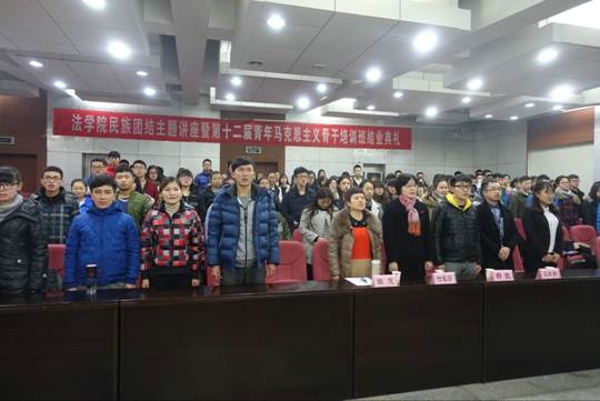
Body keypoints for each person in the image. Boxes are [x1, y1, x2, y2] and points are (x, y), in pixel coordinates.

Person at [207, 157, 279, 286]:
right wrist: (214, 263)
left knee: (257, 297)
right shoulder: (222, 199)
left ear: (254, 174)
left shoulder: (265, 198)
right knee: (230, 298)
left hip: (257, 264)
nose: (245, 174)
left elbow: (273, 232)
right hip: (230, 265)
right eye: (240, 170)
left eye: (249, 170)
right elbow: (213, 233)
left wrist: (272, 260)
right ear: (233, 174)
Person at [64, 175, 140, 291]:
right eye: (98, 192)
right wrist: (70, 282)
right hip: (84, 282)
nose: (102, 196)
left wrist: (131, 280)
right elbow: (71, 252)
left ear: (114, 194)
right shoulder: (79, 220)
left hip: (117, 282)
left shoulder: (126, 220)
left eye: (107, 192)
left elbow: (133, 251)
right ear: (91, 194)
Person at [140, 177, 205, 290]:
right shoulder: (152, 214)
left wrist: (196, 273)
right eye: (167, 190)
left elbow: (198, 245)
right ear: (161, 193)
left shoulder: (191, 214)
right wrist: (145, 274)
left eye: (176, 189)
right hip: (158, 272)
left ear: (181, 192)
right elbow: (145, 246)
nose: (172, 193)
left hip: (185, 272)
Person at [0, 166, 47, 294]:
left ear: (19, 186)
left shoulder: (31, 210)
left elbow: (39, 251)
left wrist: (35, 286)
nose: (2, 189)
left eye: (7, 184)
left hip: (18, 281)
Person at [383, 174, 433, 284]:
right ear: (400, 188)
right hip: (399, 258)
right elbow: (388, 236)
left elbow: (427, 234)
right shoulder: (392, 207)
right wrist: (392, 260)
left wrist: (428, 258)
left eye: (414, 186)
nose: (412, 189)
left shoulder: (421, 207)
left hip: (418, 257)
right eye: (408, 186)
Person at [431, 174, 481, 281]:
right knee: (450, 291)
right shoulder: (442, 208)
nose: (465, 190)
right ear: (452, 188)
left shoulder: (473, 209)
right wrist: (439, 262)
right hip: (450, 261)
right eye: (461, 186)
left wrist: (479, 260)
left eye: (468, 187)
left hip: (471, 261)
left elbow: (477, 236)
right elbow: (435, 236)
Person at [328, 187, 382, 279]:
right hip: (348, 266)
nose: (360, 200)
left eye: (362, 198)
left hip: (370, 265)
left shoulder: (373, 219)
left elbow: (379, 248)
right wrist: (335, 272)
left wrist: (379, 269)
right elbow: (332, 248)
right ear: (348, 202)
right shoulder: (339, 219)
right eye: (356, 198)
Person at [30, 166, 79, 244]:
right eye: (48, 177)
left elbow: (76, 228)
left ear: (61, 181)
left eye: (55, 178)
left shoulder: (71, 201)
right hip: (38, 248)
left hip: (64, 248)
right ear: (41, 180)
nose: (51, 181)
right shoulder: (33, 201)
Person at [522, 181, 564, 273]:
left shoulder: (555, 211)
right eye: (546, 192)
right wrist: (543, 253)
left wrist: (558, 252)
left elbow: (560, 233)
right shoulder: (529, 212)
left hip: (552, 256)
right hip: (535, 256)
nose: (550, 196)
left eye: (552, 193)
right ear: (537, 194)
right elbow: (531, 235)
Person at [477, 178, 519, 270]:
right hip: (488, 256)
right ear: (484, 193)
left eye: (499, 189)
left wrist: (508, 248)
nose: (497, 192)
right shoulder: (478, 211)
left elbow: (515, 233)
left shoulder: (506, 211)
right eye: (493, 189)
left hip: (507, 257)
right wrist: (497, 250)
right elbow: (480, 234)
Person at [299, 188, 337, 275]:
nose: (325, 204)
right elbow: (302, 228)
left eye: (328, 202)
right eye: (323, 202)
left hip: (330, 245)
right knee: (312, 271)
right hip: (312, 244)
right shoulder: (308, 211)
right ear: (317, 199)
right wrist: (316, 238)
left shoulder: (335, 211)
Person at [114, 165, 150, 231]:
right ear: (115, 180)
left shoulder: (142, 199)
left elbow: (147, 223)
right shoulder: (110, 199)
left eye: (127, 177)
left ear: (133, 179)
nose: (123, 180)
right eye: (119, 177)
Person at [280, 166, 316, 231]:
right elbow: (283, 211)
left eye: (305, 177)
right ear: (295, 178)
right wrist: (292, 220)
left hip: (310, 227)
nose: (304, 179)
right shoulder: (288, 195)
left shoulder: (312, 194)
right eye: (301, 176)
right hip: (294, 227)